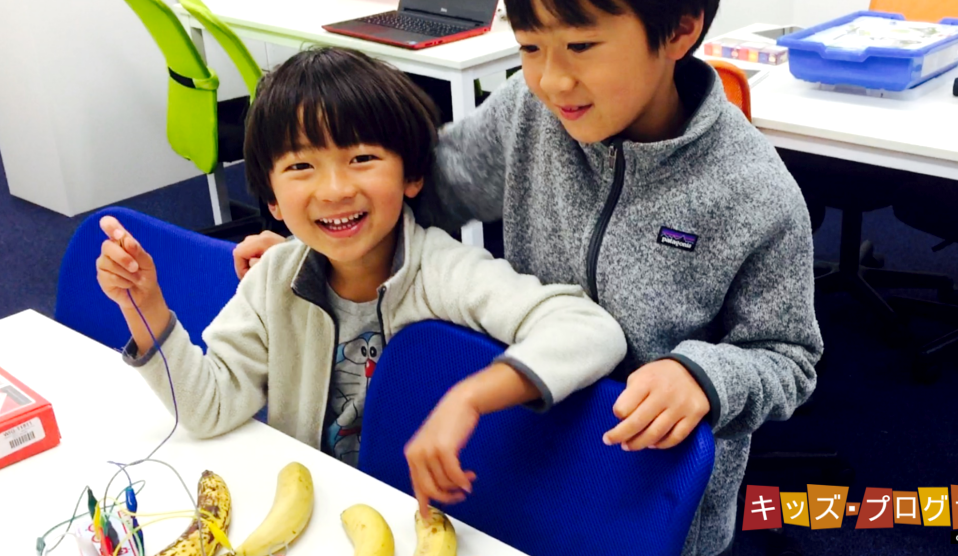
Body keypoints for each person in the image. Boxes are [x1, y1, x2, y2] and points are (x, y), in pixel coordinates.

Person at [233, 1, 823, 553]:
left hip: (652, 484)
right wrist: (315, 246)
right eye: (530, 47)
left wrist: (705, 376)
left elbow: (789, 357)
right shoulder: (529, 111)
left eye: (581, 46)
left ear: (680, 30)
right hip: (519, 438)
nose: (552, 81)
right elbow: (412, 193)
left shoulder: (754, 191)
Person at [96, 46, 627, 515]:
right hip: (316, 508)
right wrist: (146, 308)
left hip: (426, 511)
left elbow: (588, 328)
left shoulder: (444, 272)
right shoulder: (274, 279)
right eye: (301, 167)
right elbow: (207, 409)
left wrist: (469, 398)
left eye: (362, 158)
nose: (334, 189)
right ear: (273, 199)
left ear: (412, 175)